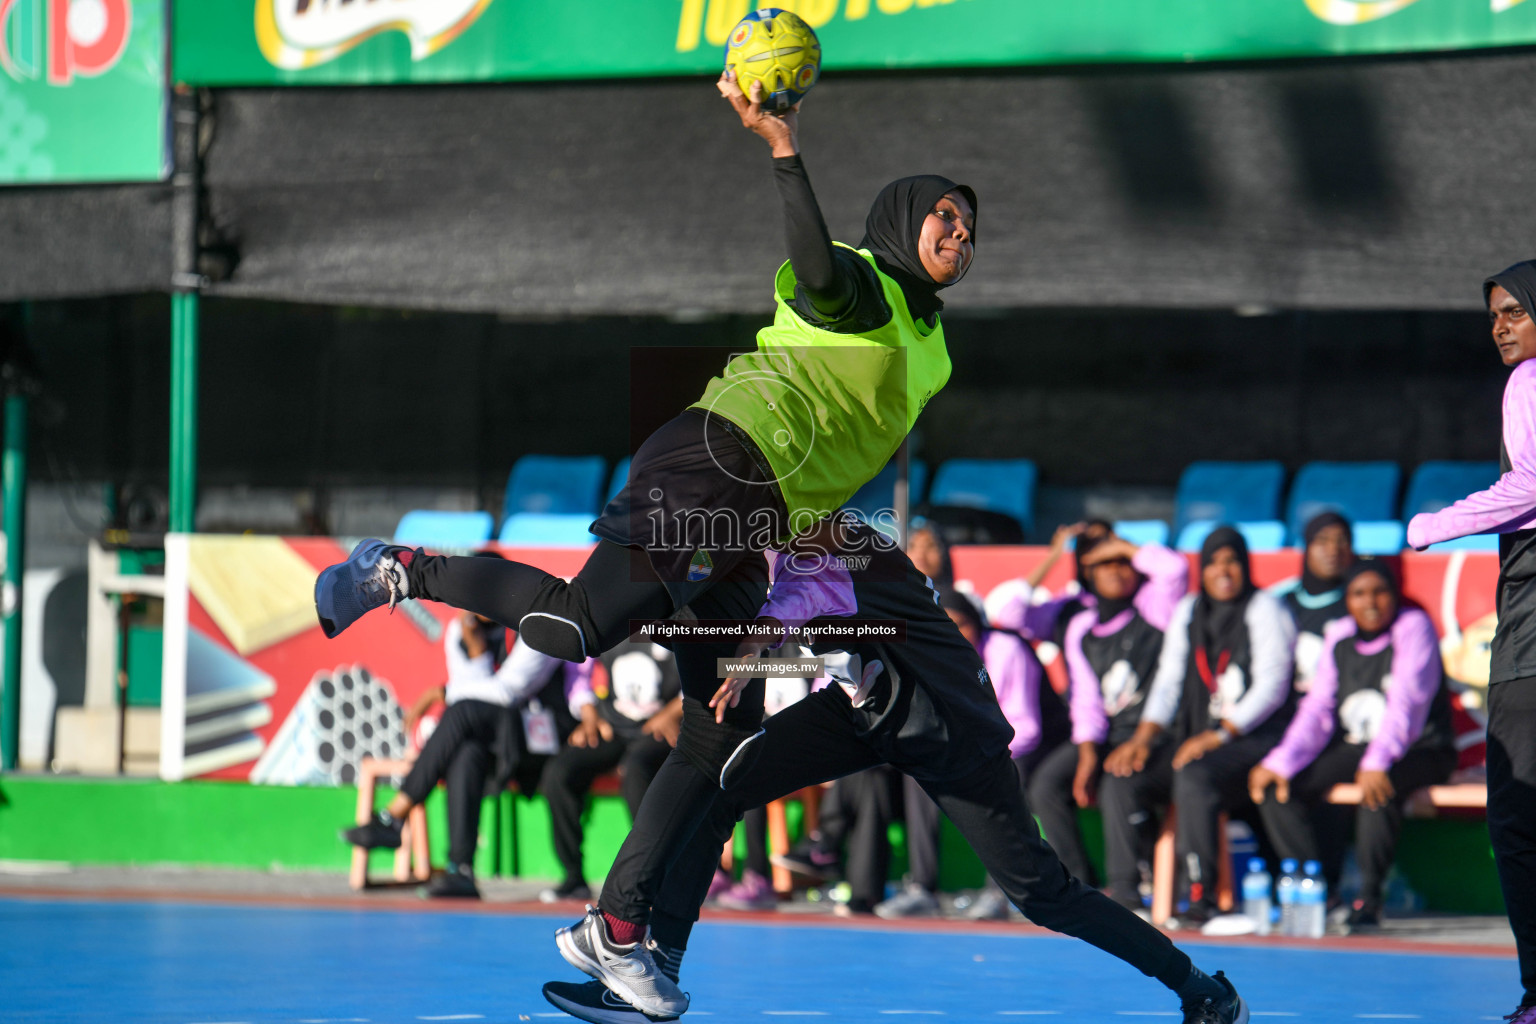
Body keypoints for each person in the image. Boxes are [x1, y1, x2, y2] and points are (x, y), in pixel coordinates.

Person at [314, 68, 977, 980]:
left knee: (719, 728)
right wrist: (784, 148)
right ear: (904, 221)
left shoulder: (932, 350)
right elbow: (821, 277)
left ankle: (617, 933)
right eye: (945, 214)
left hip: (766, 514)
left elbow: (840, 469)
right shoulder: (863, 284)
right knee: (578, 627)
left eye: (970, 223)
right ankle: (400, 569)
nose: (961, 231)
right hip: (718, 457)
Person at [543, 518, 1249, 1024]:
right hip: (866, 709)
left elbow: (793, 616)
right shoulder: (771, 545)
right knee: (723, 778)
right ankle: (655, 972)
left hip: (947, 726)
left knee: (1044, 894)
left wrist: (742, 649)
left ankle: (1200, 989)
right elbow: (812, 644)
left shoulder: (847, 547)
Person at [1403, 260, 1536, 1022]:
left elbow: (1529, 483)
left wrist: (1432, 525)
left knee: (1518, 819)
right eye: (1494, 315)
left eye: (1516, 311)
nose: (1501, 325)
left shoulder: (1528, 382)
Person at [1102, 526, 1295, 925]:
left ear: (1246, 565)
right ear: (1201, 569)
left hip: (1251, 739)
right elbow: (1169, 681)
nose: (1223, 571)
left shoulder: (1265, 608)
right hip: (1195, 736)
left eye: (1232, 561)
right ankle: (1123, 893)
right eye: (1213, 563)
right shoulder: (1189, 610)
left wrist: (1219, 734)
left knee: (1194, 777)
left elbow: (1271, 688)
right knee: (1123, 775)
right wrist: (1143, 737)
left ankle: (1199, 897)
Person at [1248, 560, 1455, 929]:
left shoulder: (1414, 627)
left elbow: (1406, 705)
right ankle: (1320, 893)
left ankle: (1368, 901)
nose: (1370, 602)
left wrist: (1377, 762)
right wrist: (1281, 761)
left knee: (1377, 790)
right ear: (1347, 599)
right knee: (1278, 788)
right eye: (1359, 593)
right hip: (1362, 749)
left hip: (1420, 747)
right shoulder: (1340, 635)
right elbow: (1318, 709)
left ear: (1394, 595)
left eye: (1380, 591)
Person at [342, 613, 584, 898]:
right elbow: (474, 696)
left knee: (461, 713)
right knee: (467, 750)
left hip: (538, 739)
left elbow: (506, 692)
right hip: (495, 737)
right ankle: (461, 869)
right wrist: (476, 650)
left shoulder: (539, 626)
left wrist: (438, 693)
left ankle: (396, 816)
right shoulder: (462, 630)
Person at [876, 586, 1069, 921]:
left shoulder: (1008, 649)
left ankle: (998, 892)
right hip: (968, 747)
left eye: (962, 624)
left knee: (998, 776)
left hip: (1030, 748)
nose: (955, 633)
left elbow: (1026, 726)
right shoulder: (929, 656)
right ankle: (923, 888)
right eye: (944, 624)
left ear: (978, 623)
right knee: (919, 773)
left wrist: (973, 752)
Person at [1027, 531, 1187, 906]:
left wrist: (1125, 546)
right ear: (1089, 574)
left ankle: (1127, 892)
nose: (1116, 571)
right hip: (1109, 735)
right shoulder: (1082, 627)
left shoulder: (1154, 608)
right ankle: (1081, 887)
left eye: (1123, 563)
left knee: (1119, 780)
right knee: (1046, 784)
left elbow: (1175, 569)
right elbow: (1086, 700)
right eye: (1105, 564)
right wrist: (1086, 753)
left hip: (1160, 734)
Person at [540, 637, 682, 903]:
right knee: (560, 772)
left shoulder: (678, 619)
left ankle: (651, 878)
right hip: (613, 726)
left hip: (662, 727)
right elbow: (579, 670)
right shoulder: (611, 616)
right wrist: (589, 712)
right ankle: (573, 877)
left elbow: (703, 672)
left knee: (636, 770)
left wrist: (673, 712)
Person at [1270, 511, 1355, 692]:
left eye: (1341, 540)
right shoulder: (1278, 599)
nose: (1333, 550)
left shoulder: (1360, 602)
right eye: (1323, 541)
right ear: (1307, 546)